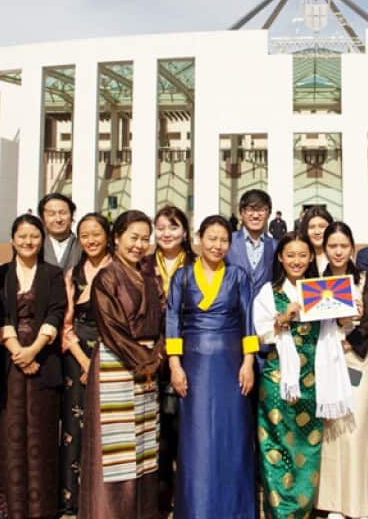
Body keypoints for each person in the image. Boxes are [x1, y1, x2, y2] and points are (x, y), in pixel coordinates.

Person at [253, 232, 354, 519]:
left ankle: (303, 511)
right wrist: (284, 318)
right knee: (275, 445)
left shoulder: (322, 290)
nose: (296, 261)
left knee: (308, 448)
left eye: (302, 255)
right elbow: (261, 333)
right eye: (290, 255)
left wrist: (345, 317)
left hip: (314, 378)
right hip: (279, 380)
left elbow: (338, 329)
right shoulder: (269, 292)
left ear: (311, 257)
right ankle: (280, 513)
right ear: (280, 258)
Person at [165, 215, 259, 519]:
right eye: (212, 238)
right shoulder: (182, 277)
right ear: (199, 239)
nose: (217, 245)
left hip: (231, 365)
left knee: (233, 436)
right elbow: (172, 322)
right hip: (193, 366)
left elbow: (248, 321)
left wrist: (248, 363)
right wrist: (175, 365)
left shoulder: (238, 276)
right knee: (196, 439)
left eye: (223, 240)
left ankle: (235, 510)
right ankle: (197, 509)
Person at [77, 210, 166, 519]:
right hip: (118, 364)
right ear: (117, 238)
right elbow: (111, 327)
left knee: (143, 443)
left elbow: (162, 321)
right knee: (116, 448)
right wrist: (147, 361)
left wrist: (158, 354)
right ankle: (111, 512)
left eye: (145, 239)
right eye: (133, 238)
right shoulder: (107, 276)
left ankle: (142, 510)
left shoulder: (150, 276)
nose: (139, 245)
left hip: (146, 368)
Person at [0, 213, 68, 519]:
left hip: (43, 360)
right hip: (9, 364)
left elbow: (56, 311)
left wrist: (34, 350)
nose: (28, 242)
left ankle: (42, 505)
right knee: (9, 431)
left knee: (42, 432)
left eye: (34, 236)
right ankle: (9, 503)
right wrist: (17, 351)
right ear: (13, 239)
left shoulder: (52, 274)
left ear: (42, 240)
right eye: (22, 236)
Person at [314, 221, 368, 519]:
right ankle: (331, 504)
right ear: (325, 249)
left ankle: (355, 504)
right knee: (330, 431)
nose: (338, 252)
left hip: (355, 361)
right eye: (332, 246)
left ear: (352, 247)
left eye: (343, 246)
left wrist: (349, 342)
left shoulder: (365, 279)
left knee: (353, 429)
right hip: (326, 358)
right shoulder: (315, 281)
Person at [59, 212, 110, 515]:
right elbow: (66, 324)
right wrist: (82, 360)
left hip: (111, 356)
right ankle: (72, 498)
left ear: (108, 236)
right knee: (74, 427)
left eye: (97, 233)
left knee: (107, 427)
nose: (91, 240)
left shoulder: (118, 270)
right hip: (77, 355)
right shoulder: (72, 275)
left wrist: (100, 361)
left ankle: (104, 497)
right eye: (85, 235)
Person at [150, 205, 193, 513]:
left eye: (173, 227)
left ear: (185, 233)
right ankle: (160, 495)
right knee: (158, 428)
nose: (166, 233)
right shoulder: (142, 265)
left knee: (184, 425)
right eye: (161, 227)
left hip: (187, 354)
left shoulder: (195, 264)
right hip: (150, 356)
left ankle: (188, 494)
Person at [227, 189, 277, 293]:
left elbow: (279, 282)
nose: (255, 215)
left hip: (266, 308)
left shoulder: (276, 246)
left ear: (269, 214)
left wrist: (282, 307)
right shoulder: (228, 242)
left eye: (262, 210)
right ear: (241, 213)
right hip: (234, 308)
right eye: (250, 209)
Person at [40, 193, 82, 279]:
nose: (58, 219)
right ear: (42, 218)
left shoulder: (82, 247)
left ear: (72, 216)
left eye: (63, 213)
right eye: (52, 214)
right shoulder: (36, 246)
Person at [297, 206, 334, 276]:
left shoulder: (339, 255)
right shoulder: (297, 258)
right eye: (311, 227)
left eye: (322, 226)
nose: (317, 232)